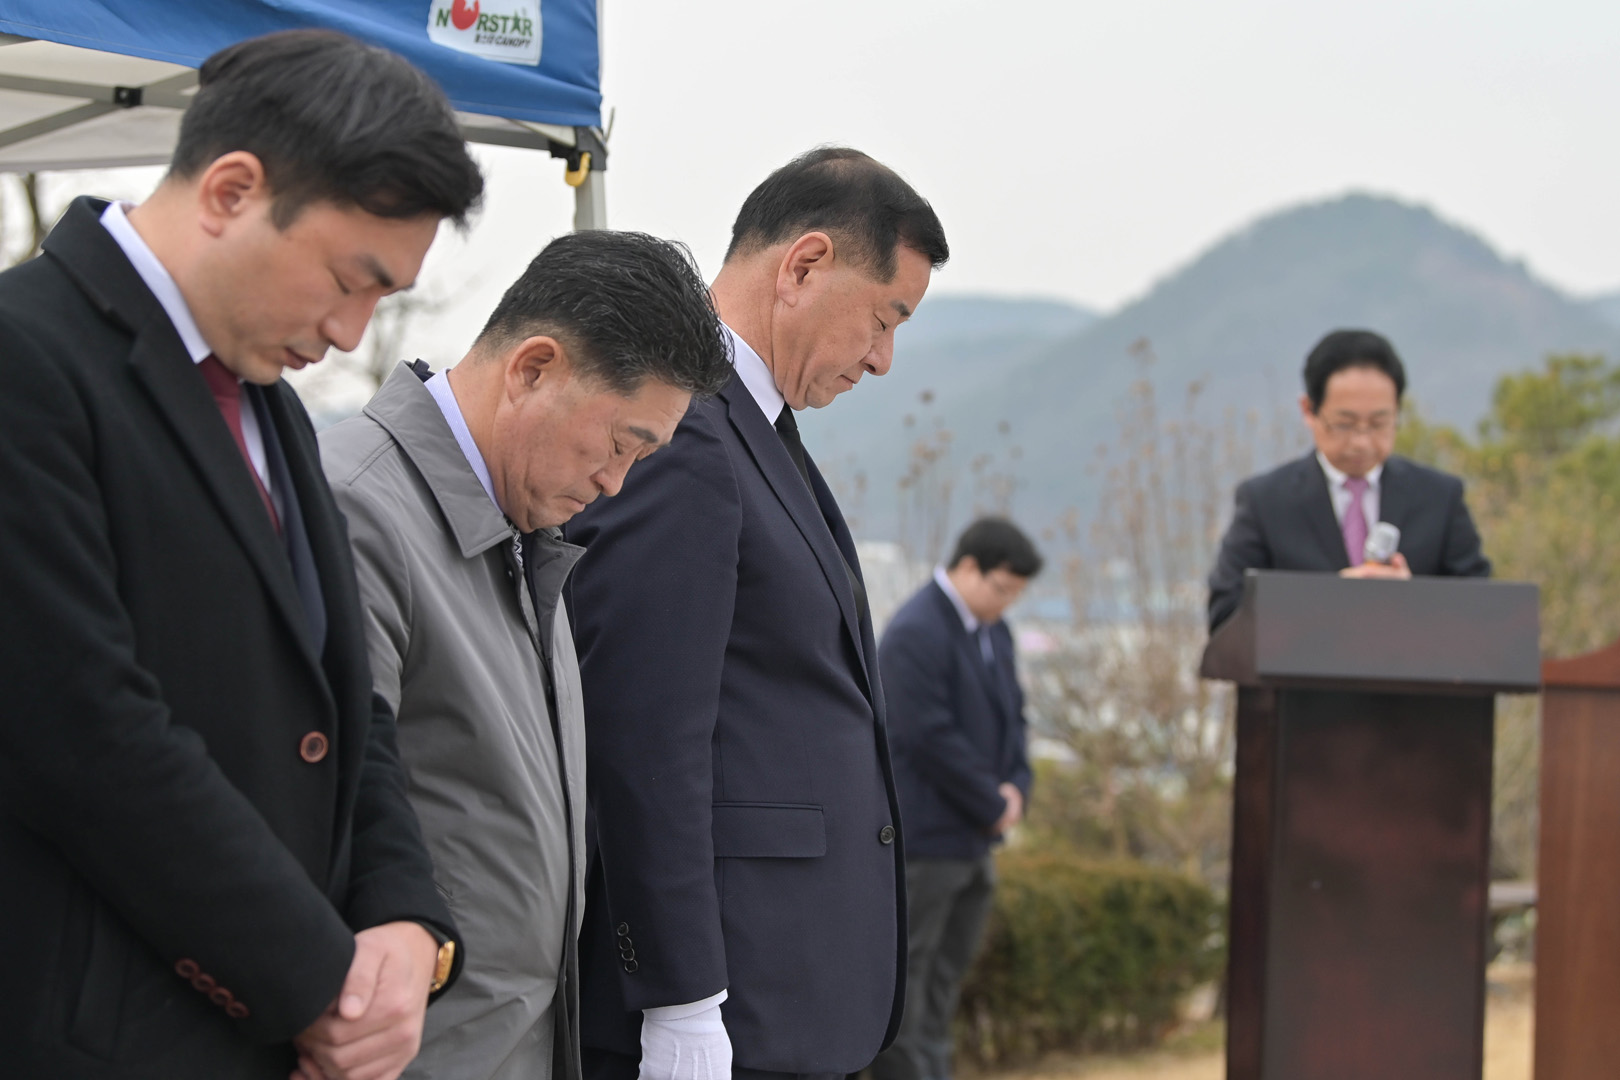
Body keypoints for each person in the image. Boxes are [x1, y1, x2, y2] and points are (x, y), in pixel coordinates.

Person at [0, 31, 484, 1080]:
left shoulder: (279, 414)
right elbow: (82, 733)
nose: (352, 332)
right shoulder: (26, 358)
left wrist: (405, 918)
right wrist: (312, 981)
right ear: (230, 191)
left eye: (384, 298)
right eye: (350, 280)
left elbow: (343, 706)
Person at [562, 147, 949, 1080]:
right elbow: (641, 733)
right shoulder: (685, 428)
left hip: (785, 997)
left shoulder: (756, 431)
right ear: (804, 265)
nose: (883, 360)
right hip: (729, 1008)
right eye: (884, 318)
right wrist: (680, 997)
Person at [319, 231, 731, 1080]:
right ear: (533, 368)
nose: (617, 482)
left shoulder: (524, 532)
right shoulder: (357, 514)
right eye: (619, 442)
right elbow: (330, 822)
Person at [872, 519, 1041, 1080]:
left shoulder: (995, 631)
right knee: (910, 977)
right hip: (928, 839)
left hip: (975, 839)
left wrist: (1017, 787)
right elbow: (927, 737)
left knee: (946, 976)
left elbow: (1014, 719)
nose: (1006, 602)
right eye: (1001, 588)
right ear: (968, 567)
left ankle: (936, 1070)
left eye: (1015, 593)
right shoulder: (916, 631)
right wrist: (992, 802)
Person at [1207, 328, 1491, 630]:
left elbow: (1483, 613)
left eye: (1379, 423)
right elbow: (1226, 617)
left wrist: (1411, 600)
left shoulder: (1440, 497)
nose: (1362, 442)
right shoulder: (1265, 502)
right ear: (1309, 410)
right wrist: (1329, 600)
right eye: (1345, 424)